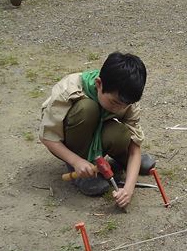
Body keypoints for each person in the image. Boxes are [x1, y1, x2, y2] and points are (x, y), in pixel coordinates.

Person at [39, 52, 154, 208]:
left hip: (98, 133)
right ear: (99, 84)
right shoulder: (69, 89)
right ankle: (82, 171)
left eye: (124, 105)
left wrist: (128, 189)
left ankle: (121, 160)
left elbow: (135, 148)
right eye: (114, 102)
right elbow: (48, 137)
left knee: (121, 134)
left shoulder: (126, 99)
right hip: (71, 140)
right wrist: (77, 161)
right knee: (87, 108)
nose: (119, 108)